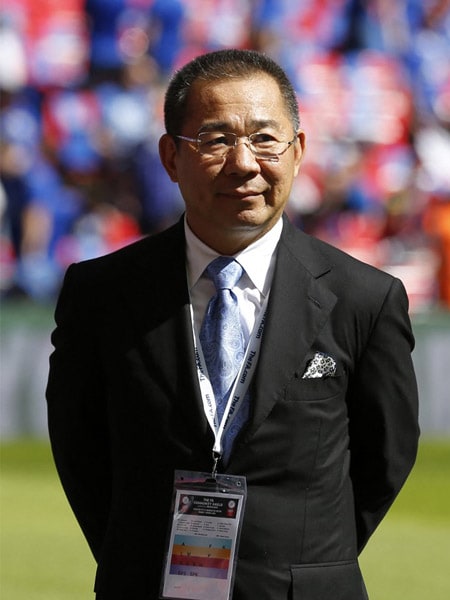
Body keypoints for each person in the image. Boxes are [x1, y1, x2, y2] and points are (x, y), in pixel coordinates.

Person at [46, 49, 420, 600]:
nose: (244, 162)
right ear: (171, 157)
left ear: (298, 152)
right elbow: (80, 450)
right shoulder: (101, 294)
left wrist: (306, 560)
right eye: (216, 140)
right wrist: (139, 554)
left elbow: (385, 458)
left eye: (266, 139)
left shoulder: (364, 298)